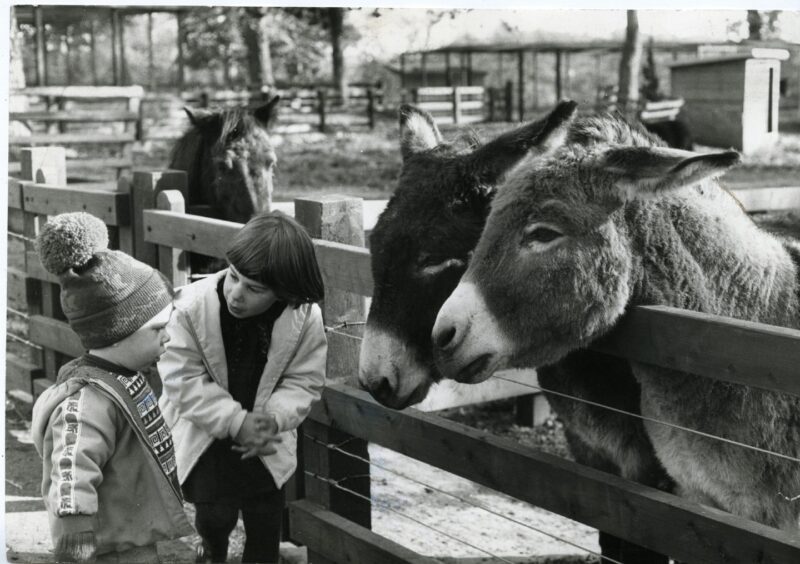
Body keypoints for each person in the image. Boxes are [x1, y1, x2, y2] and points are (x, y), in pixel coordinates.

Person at [158, 210, 327, 564]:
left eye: (254, 289)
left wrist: (274, 419)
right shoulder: (190, 308)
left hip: (263, 439)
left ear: (283, 291)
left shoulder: (303, 317)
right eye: (234, 277)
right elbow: (181, 377)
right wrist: (235, 422)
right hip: (207, 432)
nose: (236, 293)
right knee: (214, 516)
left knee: (265, 517)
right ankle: (212, 553)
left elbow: (304, 378)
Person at [31, 212, 193, 563]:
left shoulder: (123, 378)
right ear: (119, 331)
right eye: (157, 328)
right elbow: (72, 466)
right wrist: (77, 539)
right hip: (105, 549)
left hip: (132, 536)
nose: (168, 336)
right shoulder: (90, 399)